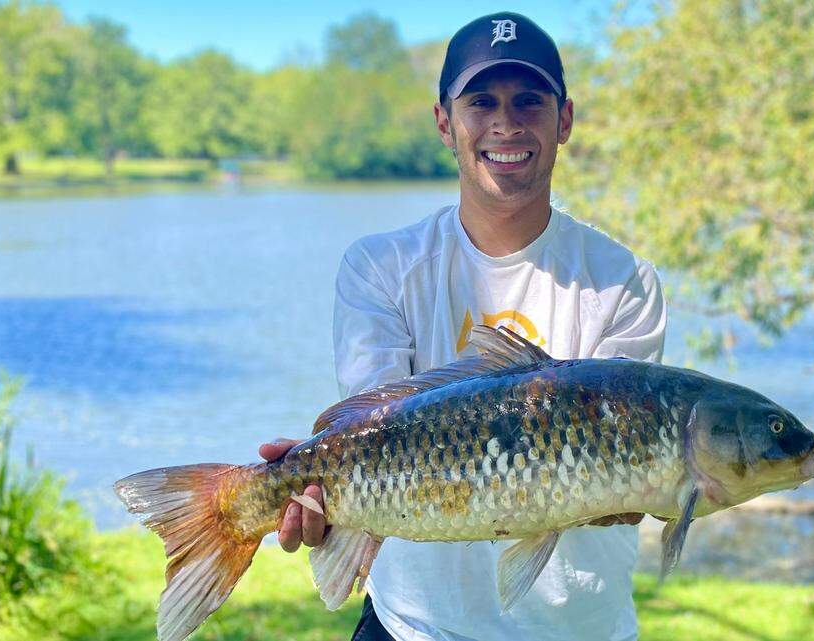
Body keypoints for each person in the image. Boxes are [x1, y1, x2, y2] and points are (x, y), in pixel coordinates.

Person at [259, 12, 666, 641]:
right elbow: (371, 428)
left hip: (583, 627)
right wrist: (319, 494)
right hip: (412, 625)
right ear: (445, 121)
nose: (507, 122)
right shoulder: (381, 267)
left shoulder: (624, 280)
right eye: (482, 101)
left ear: (565, 121)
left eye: (529, 100)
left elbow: (629, 482)